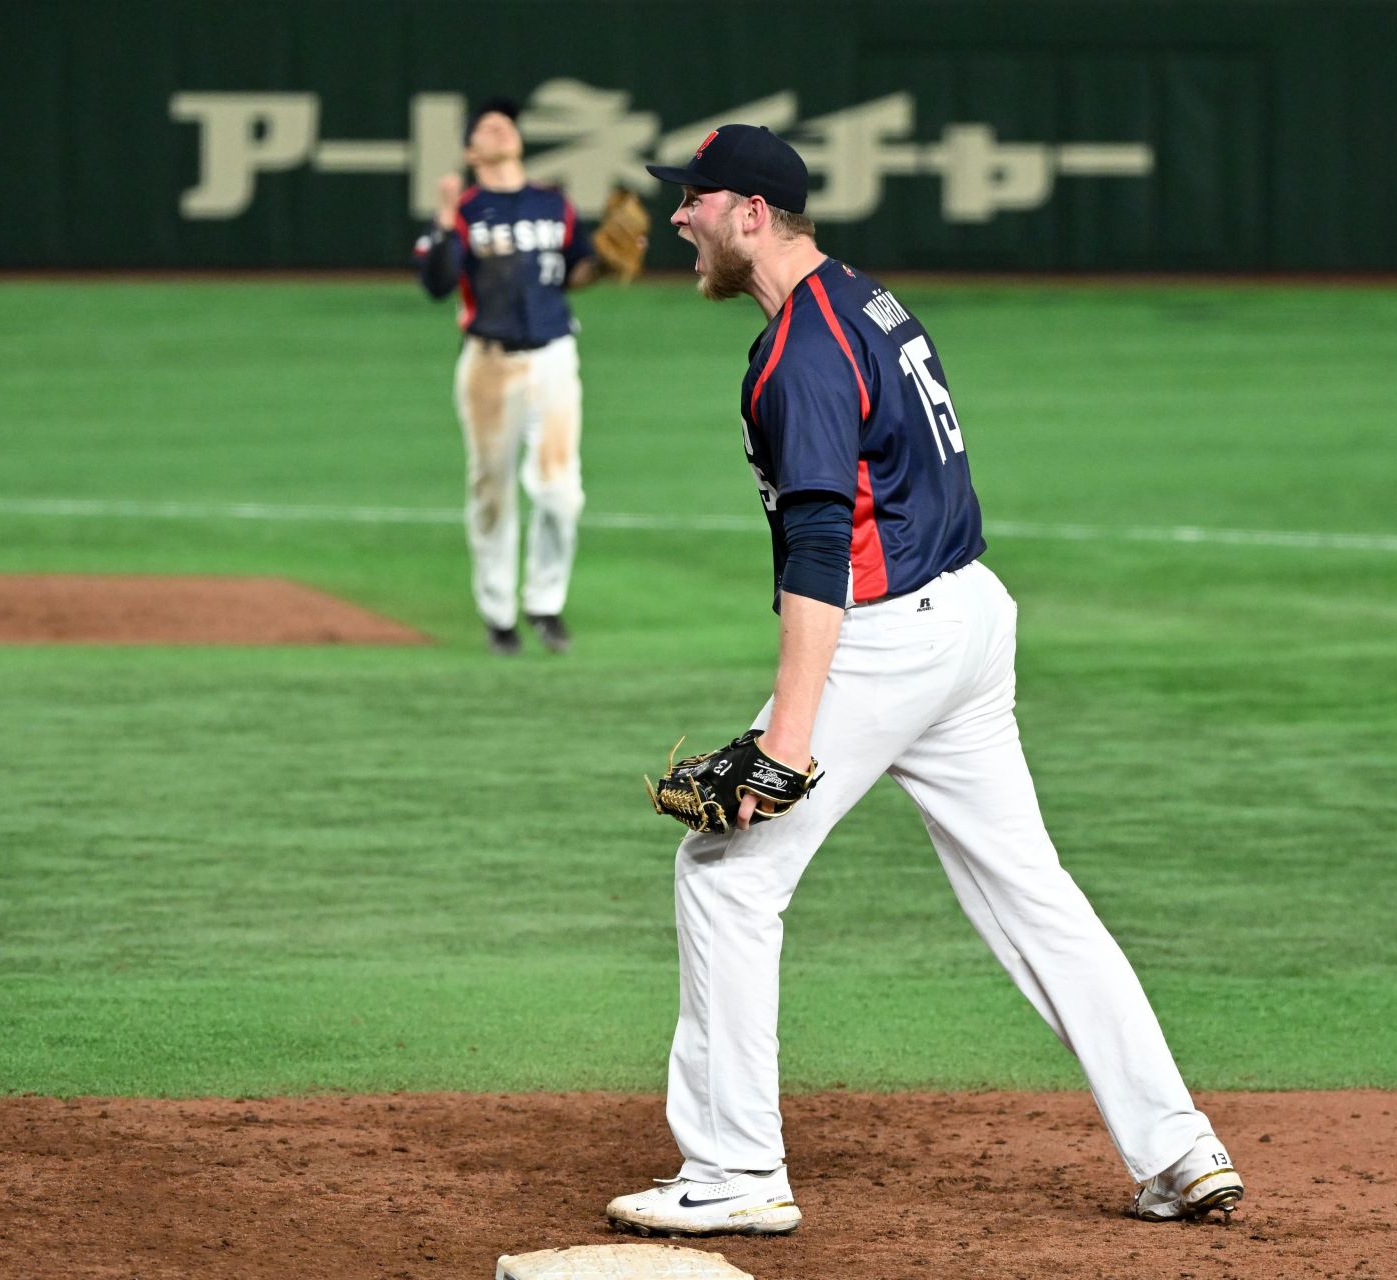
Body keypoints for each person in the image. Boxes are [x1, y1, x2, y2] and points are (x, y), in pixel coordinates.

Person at [606, 125, 1244, 1237]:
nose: (676, 219)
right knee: (1031, 891)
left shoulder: (800, 350)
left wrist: (787, 740)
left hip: (889, 636)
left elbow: (819, 549)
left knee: (724, 872)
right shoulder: (866, 299)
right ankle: (1179, 1145)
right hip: (968, 621)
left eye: (693, 200)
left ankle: (734, 1167)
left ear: (750, 212)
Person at [414, 97, 598, 655]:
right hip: (489, 365)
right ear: (472, 151)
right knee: (491, 488)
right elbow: (436, 282)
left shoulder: (553, 202)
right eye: (486, 127)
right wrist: (446, 219)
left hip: (553, 356)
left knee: (560, 491)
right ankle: (498, 615)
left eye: (506, 123)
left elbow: (577, 271)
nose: (500, 127)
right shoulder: (465, 209)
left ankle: (545, 604)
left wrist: (609, 261)